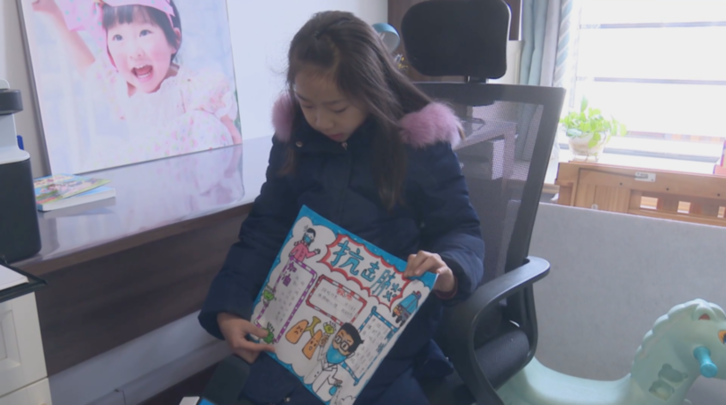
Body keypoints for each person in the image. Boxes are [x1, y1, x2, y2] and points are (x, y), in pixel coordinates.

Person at [199, 10, 484, 405]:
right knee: (257, 389)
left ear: (371, 90)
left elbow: (461, 229)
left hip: (385, 328)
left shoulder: (416, 144)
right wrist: (228, 309)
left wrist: (449, 268)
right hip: (299, 316)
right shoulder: (296, 138)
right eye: (306, 104)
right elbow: (266, 226)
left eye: (337, 108)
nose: (321, 121)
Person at [31, 0, 241, 168]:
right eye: (118, 37)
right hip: (151, 190)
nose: (134, 52)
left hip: (193, 185)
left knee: (204, 122)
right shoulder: (123, 90)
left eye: (144, 33)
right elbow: (88, 69)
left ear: (174, 40)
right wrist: (53, 13)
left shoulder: (192, 88)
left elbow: (226, 139)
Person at [304, 323, 363, 402]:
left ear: (349, 354)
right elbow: (319, 357)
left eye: (344, 345)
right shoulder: (324, 357)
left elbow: (330, 379)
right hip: (307, 382)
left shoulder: (334, 369)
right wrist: (321, 346)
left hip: (315, 392)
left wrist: (336, 383)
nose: (337, 346)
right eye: (338, 339)